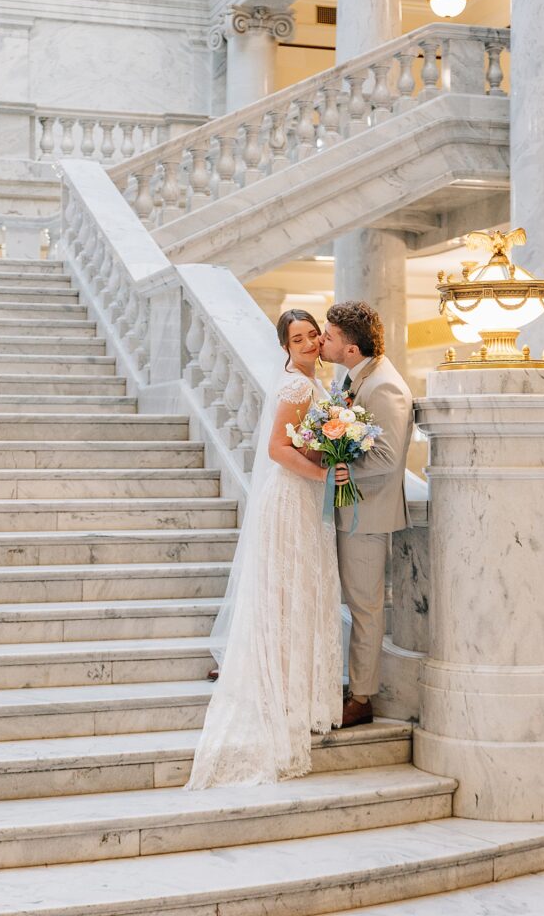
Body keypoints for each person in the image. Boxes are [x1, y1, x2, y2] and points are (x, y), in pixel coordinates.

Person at [185, 309, 344, 789]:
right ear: (285, 347)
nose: (309, 343)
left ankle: (299, 691)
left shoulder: (315, 383)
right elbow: (278, 449)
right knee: (288, 593)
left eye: (313, 335)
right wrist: (323, 474)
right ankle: (283, 694)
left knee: (302, 591)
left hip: (304, 497)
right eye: (298, 339)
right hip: (291, 497)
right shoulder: (296, 386)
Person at [319, 301, 413, 728]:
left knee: (365, 608)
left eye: (330, 336)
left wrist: (343, 468)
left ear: (351, 348)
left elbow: (387, 459)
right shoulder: (354, 376)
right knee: (354, 604)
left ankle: (361, 698)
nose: (323, 341)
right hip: (347, 511)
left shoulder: (384, 386)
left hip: (367, 515)